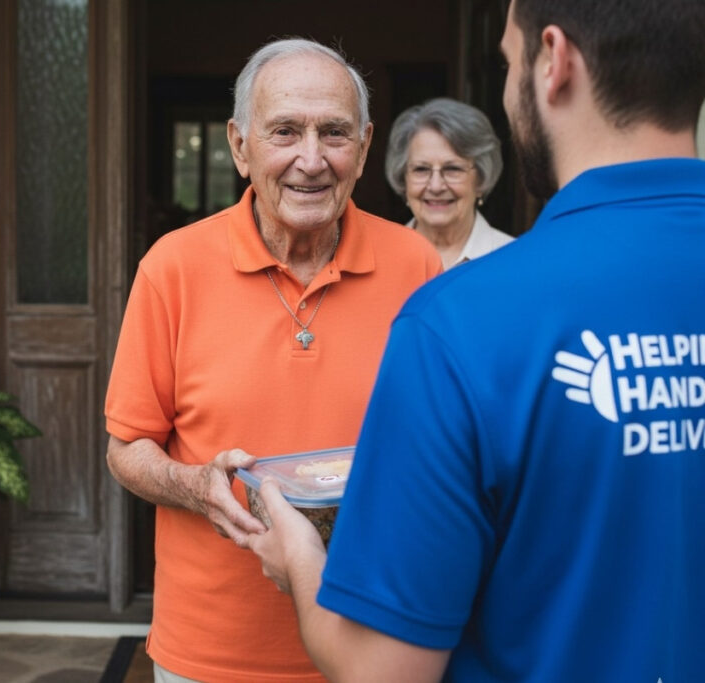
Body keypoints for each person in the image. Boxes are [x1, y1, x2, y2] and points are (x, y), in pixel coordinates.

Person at [248, 1, 705, 681]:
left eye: (508, 59)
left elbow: (384, 671)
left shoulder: (459, 321)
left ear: (554, 61)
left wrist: (299, 558)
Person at [104, 38, 441, 682]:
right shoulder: (171, 268)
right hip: (210, 653)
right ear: (239, 146)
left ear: (365, 148)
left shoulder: (417, 267)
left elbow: (446, 445)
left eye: (334, 134)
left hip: (373, 645)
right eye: (284, 131)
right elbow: (127, 448)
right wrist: (196, 486)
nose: (310, 160)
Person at [385, 97, 513, 269]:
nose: (436, 186)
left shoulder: (514, 260)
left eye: (453, 169)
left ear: (481, 180)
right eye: (421, 169)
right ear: (403, 178)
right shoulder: (381, 259)